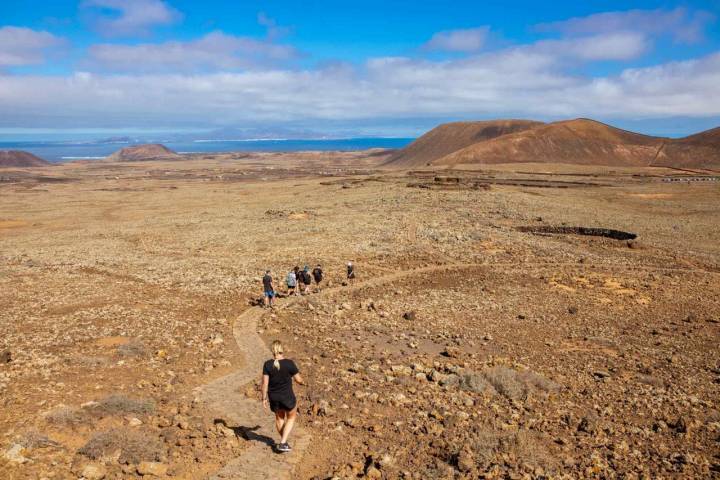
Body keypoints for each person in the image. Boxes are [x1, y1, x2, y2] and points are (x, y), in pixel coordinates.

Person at [261, 340, 304, 453]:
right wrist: (303, 382)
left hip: (273, 397)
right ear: (282, 349)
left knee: (279, 418)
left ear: (272, 351)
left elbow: (265, 383)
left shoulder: (267, 364)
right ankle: (283, 443)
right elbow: (298, 380)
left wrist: (264, 398)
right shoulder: (289, 363)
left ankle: (283, 441)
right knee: (291, 417)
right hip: (287, 396)